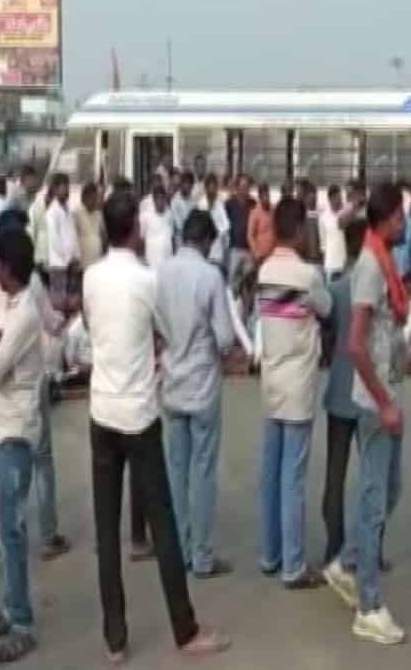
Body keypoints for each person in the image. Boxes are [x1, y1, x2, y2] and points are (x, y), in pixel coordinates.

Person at [84, 190, 229, 659]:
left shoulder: (91, 278)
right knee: (162, 523)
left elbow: (94, 328)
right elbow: (169, 331)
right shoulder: (146, 281)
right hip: (140, 412)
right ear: (137, 230)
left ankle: (115, 638)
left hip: (102, 409)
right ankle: (184, 629)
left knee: (108, 531)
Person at [321, 184, 408, 644]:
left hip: (386, 394)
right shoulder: (372, 267)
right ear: (387, 219)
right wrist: (386, 401)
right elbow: (355, 344)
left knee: (390, 489)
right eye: (401, 215)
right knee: (376, 500)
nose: (406, 222)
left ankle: (347, 560)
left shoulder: (382, 260)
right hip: (377, 402)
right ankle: (369, 605)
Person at [0, 229, 46, 664]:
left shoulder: (23, 316)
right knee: (5, 534)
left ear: (11, 270)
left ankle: (22, 621)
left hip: (15, 430)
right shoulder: (10, 309)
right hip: (3, 426)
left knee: (11, 533)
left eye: (0, 265)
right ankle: (9, 606)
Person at [154, 210, 236, 578]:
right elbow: (225, 338)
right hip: (202, 384)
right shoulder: (210, 276)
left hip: (172, 381)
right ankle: (201, 555)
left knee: (176, 472)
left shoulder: (163, 273)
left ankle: (180, 549)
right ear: (205, 240)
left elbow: (156, 325)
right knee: (203, 472)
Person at [256, 197, 332, 588]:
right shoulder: (307, 276)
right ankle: (293, 564)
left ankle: (269, 554)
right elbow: (327, 308)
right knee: (293, 476)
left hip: (270, 381)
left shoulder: (265, 270)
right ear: (301, 230)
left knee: (270, 470)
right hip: (299, 384)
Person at [320, 217, 367, 570]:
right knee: (372, 475)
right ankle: (368, 546)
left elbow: (326, 336)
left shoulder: (335, 289)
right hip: (368, 391)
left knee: (334, 475)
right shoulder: (374, 289)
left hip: (339, 387)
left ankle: (333, 546)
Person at [44, 173, 79, 300]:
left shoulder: (67, 209)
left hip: (71, 263)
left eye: (67, 187)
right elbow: (54, 240)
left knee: (72, 299)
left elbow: (71, 235)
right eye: (64, 188)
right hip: (59, 264)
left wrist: (75, 255)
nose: (67, 191)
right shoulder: (52, 212)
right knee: (60, 301)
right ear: (55, 189)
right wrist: (67, 257)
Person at [224, 175, 253, 285]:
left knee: (247, 283)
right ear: (237, 187)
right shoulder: (229, 204)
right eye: (242, 186)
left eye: (247, 186)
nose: (245, 189)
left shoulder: (253, 204)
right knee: (232, 283)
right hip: (234, 249)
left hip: (249, 250)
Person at [200, 174, 231, 274]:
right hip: (204, 249)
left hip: (218, 248)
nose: (213, 190)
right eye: (210, 187)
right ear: (206, 188)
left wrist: (218, 231)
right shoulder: (201, 204)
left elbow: (226, 224)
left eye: (215, 187)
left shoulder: (219, 204)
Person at [72, 182, 106, 270]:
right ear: (84, 197)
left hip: (97, 262)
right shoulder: (76, 213)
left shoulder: (98, 214)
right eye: (93, 197)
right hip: (82, 264)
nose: (95, 200)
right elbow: (72, 238)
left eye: (96, 197)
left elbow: (103, 235)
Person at [143, 184, 175, 269]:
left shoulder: (170, 214)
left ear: (165, 199)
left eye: (162, 198)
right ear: (154, 200)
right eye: (158, 199)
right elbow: (142, 237)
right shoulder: (146, 216)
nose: (160, 202)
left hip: (167, 259)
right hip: (151, 260)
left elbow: (171, 237)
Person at [247, 183, 275, 265]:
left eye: (267, 195)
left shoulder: (274, 210)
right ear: (260, 197)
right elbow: (250, 235)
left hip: (272, 255)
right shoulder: (254, 212)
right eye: (264, 196)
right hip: (260, 256)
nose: (266, 198)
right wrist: (256, 252)